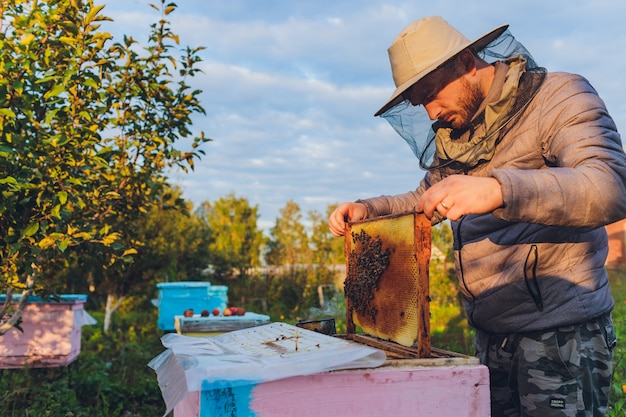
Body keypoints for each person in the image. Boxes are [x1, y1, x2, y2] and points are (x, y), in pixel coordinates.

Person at [329, 16, 626, 417]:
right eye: (420, 102)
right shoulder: (459, 135)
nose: (432, 112)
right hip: (491, 339)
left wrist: (499, 189)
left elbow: (609, 185)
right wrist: (369, 210)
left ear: (467, 62)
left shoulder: (559, 96)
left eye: (432, 92)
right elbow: (426, 198)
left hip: (561, 338)